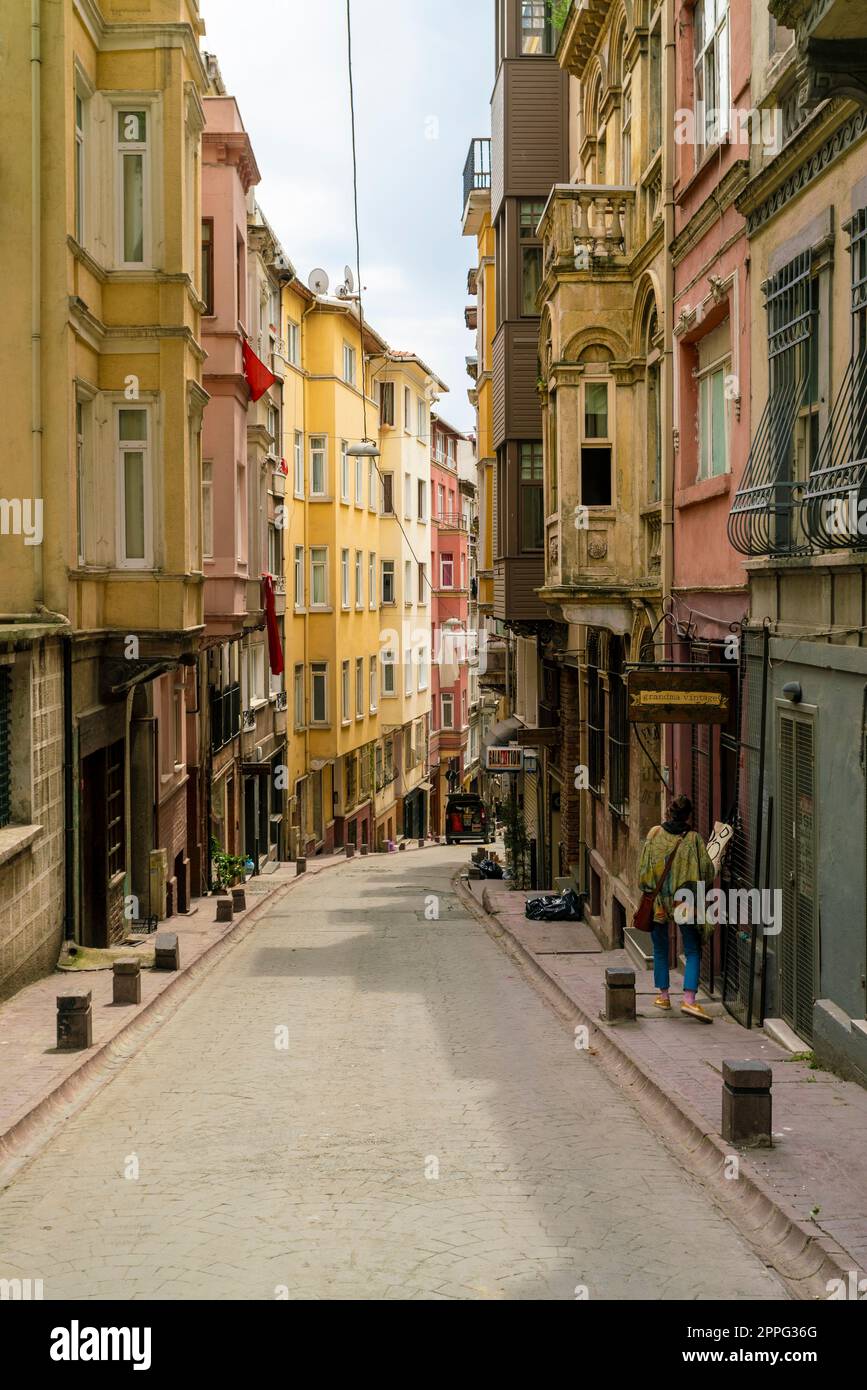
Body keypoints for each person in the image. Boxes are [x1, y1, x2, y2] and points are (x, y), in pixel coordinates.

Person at [637, 794, 717, 1023]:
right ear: (688, 815)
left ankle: (663, 996)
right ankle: (689, 999)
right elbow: (708, 873)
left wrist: (652, 889)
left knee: (660, 948)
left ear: (669, 812)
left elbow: (642, 871)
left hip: (659, 903)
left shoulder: (654, 834)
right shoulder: (693, 840)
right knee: (692, 950)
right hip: (685, 902)